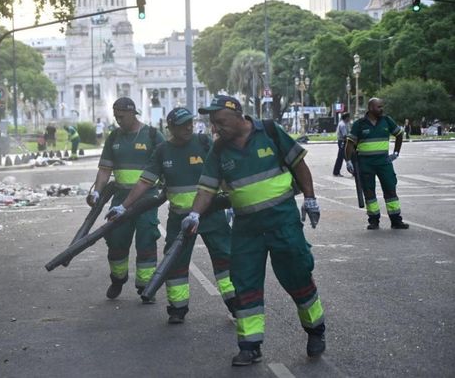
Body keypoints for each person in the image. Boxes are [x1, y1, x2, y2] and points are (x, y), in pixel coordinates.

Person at [186, 95, 325, 366]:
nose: (215, 128)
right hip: (246, 227)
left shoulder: (270, 132)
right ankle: (250, 345)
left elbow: (299, 164)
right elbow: (206, 188)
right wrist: (194, 213)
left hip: (282, 220)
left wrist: (310, 198)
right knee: (245, 283)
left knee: (298, 276)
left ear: (238, 115)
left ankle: (315, 329)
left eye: (220, 122)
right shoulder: (218, 150)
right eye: (213, 123)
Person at [107, 107, 235, 324]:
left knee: (225, 259)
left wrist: (233, 199)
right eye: (182, 124)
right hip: (180, 219)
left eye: (190, 122)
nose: (188, 127)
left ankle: (235, 303)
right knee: (175, 263)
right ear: (170, 128)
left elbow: (221, 172)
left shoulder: (204, 143)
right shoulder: (162, 151)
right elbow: (145, 181)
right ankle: (178, 308)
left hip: (211, 214)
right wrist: (124, 206)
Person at [86, 97, 164, 302]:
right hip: (120, 197)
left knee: (147, 238)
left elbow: (167, 163)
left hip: (147, 199)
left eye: (121, 116)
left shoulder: (153, 136)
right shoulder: (114, 138)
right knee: (116, 239)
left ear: (132, 113)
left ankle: (146, 286)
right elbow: (105, 169)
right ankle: (118, 279)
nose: (118, 120)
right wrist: (96, 192)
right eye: (116, 116)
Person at [345, 98, 409, 230]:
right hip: (365, 163)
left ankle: (396, 220)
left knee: (390, 189)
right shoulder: (360, 124)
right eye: (379, 107)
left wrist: (396, 153)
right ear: (370, 108)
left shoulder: (387, 121)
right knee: (369, 192)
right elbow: (350, 144)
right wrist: (348, 161)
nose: (382, 109)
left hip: (384, 162)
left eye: (382, 106)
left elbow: (399, 134)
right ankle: (374, 220)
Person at [332, 112, 351, 176]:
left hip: (343, 141)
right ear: (346, 117)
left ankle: (353, 170)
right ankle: (336, 172)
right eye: (349, 117)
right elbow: (345, 135)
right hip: (343, 142)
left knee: (345, 157)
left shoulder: (345, 123)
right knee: (341, 157)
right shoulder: (342, 125)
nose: (349, 118)